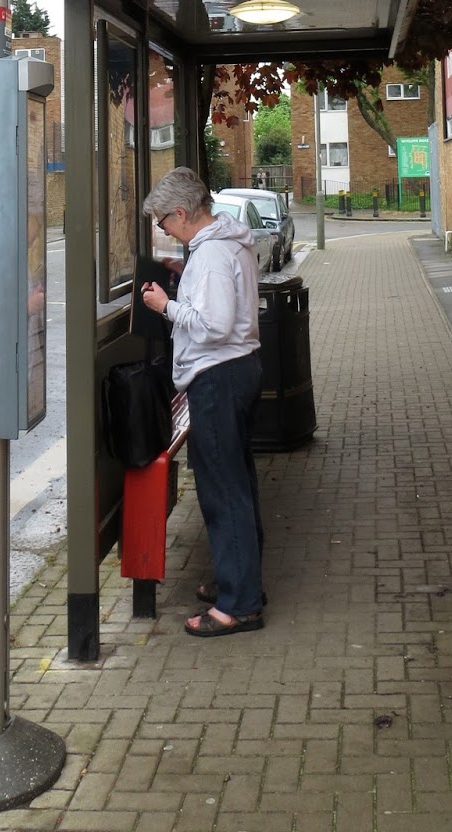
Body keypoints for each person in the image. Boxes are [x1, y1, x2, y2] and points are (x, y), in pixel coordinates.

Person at [140, 166, 265, 636]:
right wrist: (183, 276)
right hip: (240, 370)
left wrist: (164, 307)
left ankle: (240, 604)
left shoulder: (211, 255)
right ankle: (242, 583)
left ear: (181, 213)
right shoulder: (228, 244)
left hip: (219, 377)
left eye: (163, 222)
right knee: (240, 483)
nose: (162, 230)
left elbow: (213, 324)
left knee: (223, 492)